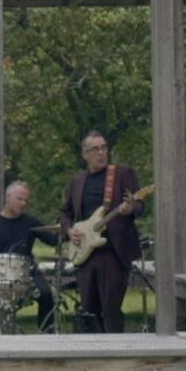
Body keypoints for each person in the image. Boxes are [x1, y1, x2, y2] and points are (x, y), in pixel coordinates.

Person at [58, 129, 142, 334]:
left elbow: (139, 205)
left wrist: (131, 208)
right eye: (95, 149)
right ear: (85, 154)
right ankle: (92, 355)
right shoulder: (78, 181)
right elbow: (65, 213)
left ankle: (117, 355)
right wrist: (69, 231)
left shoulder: (123, 174)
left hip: (114, 252)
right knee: (89, 311)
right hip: (85, 254)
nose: (101, 153)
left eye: (104, 147)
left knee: (111, 309)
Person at [0, 180, 60, 332]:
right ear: (8, 198)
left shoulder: (31, 223)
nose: (23, 203)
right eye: (19, 199)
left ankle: (47, 335)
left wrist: (65, 230)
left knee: (47, 295)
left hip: (29, 273)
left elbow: (52, 240)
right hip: (0, 275)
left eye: (26, 200)